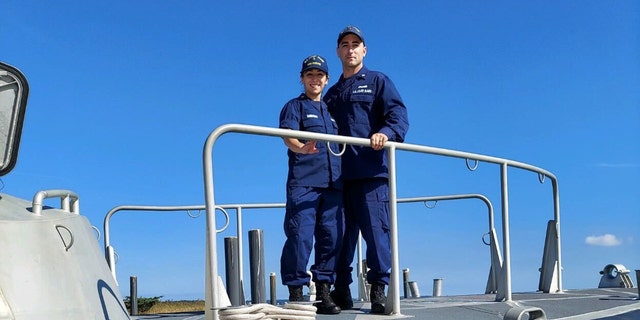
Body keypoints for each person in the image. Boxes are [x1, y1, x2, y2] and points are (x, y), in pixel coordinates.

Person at [323, 26, 409, 314]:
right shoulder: (331, 94)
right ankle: (342, 290)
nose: (350, 49)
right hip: (337, 177)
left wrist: (386, 133)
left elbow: (398, 116)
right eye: (345, 44)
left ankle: (379, 290)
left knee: (376, 234)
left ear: (364, 50)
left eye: (355, 44)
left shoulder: (377, 82)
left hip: (371, 174)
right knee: (338, 237)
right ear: (338, 51)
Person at [278, 55, 343, 315]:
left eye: (319, 75)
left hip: (333, 184)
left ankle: (324, 291)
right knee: (300, 237)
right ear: (302, 79)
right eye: (309, 75)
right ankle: (296, 292)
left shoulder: (332, 111)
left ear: (326, 80)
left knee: (331, 237)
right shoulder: (294, 106)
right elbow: (288, 136)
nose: (314, 79)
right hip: (304, 182)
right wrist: (300, 148)